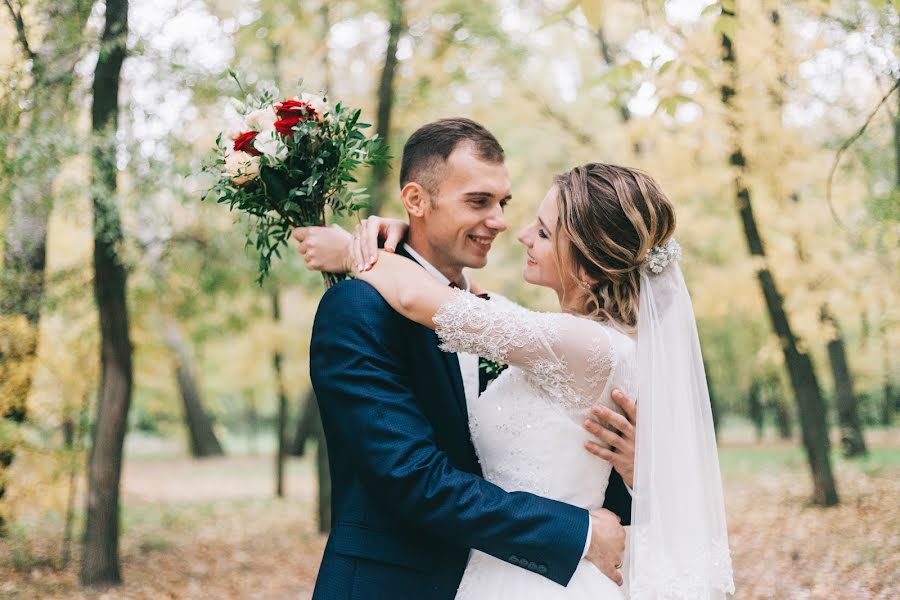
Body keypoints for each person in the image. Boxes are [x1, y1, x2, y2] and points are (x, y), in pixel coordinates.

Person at [298, 157, 734, 598]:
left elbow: (417, 296)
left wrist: (356, 251)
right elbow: (472, 304)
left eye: (543, 232)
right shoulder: (565, 340)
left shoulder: (581, 345)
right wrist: (415, 231)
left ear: (587, 269)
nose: (520, 232)